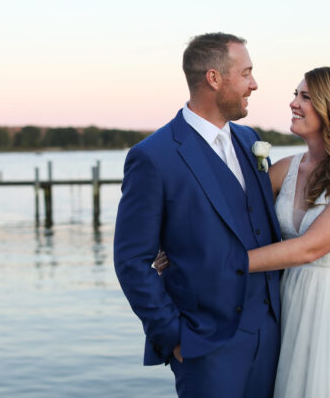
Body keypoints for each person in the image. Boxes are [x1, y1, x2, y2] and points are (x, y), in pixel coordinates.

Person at [156, 67, 330, 397]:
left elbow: (309, 248)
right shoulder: (286, 169)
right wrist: (173, 243)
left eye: (305, 97)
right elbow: (227, 213)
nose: (293, 104)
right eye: (295, 94)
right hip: (290, 300)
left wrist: (212, 263)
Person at [114, 32, 282, 398]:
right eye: (246, 73)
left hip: (271, 335)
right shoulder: (154, 156)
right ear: (214, 78)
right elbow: (131, 261)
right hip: (204, 345)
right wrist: (174, 337)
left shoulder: (249, 139)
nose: (254, 84)